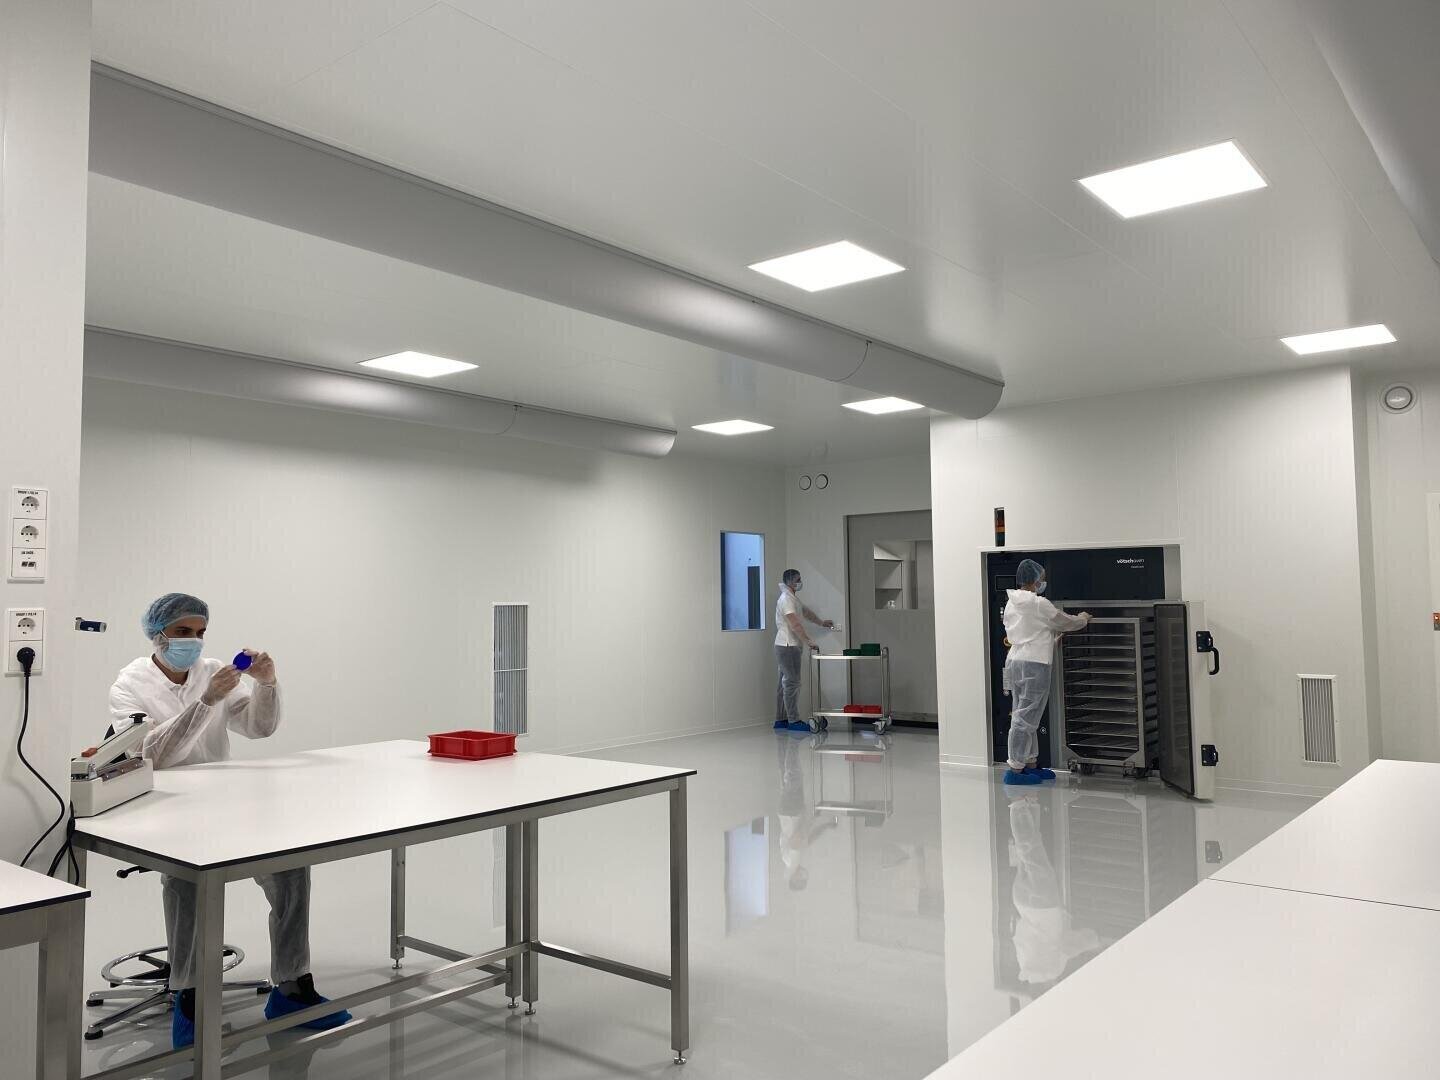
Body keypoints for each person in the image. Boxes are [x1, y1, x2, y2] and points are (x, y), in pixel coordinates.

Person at [108, 592, 351, 1049]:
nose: (193, 643)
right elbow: (150, 756)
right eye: (182, 632)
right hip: (167, 808)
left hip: (229, 802)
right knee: (189, 885)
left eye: (199, 633)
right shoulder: (129, 686)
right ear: (157, 634)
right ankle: (190, 999)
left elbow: (258, 728)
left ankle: (292, 989)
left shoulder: (211, 669)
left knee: (290, 867)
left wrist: (267, 684)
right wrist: (206, 701)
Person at [1001, 560, 1090, 785]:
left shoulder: (1012, 603)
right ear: (1036, 580)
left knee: (1025, 714)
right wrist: (1083, 619)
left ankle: (1030, 764)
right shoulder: (1039, 603)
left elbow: (1031, 632)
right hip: (1035, 664)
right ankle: (1014, 770)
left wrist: (1051, 640)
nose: (1043, 582)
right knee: (1026, 717)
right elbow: (1065, 622)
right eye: (1041, 578)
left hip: (1016, 661)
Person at [773, 569, 834, 732]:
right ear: (790, 582)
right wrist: (808, 641)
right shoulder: (786, 599)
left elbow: (805, 613)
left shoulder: (792, 598)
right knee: (792, 683)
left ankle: (781, 720)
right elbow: (795, 624)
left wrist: (821, 622)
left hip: (786, 645)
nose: (801, 582)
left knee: (784, 683)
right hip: (788, 645)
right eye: (798, 580)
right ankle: (793, 721)